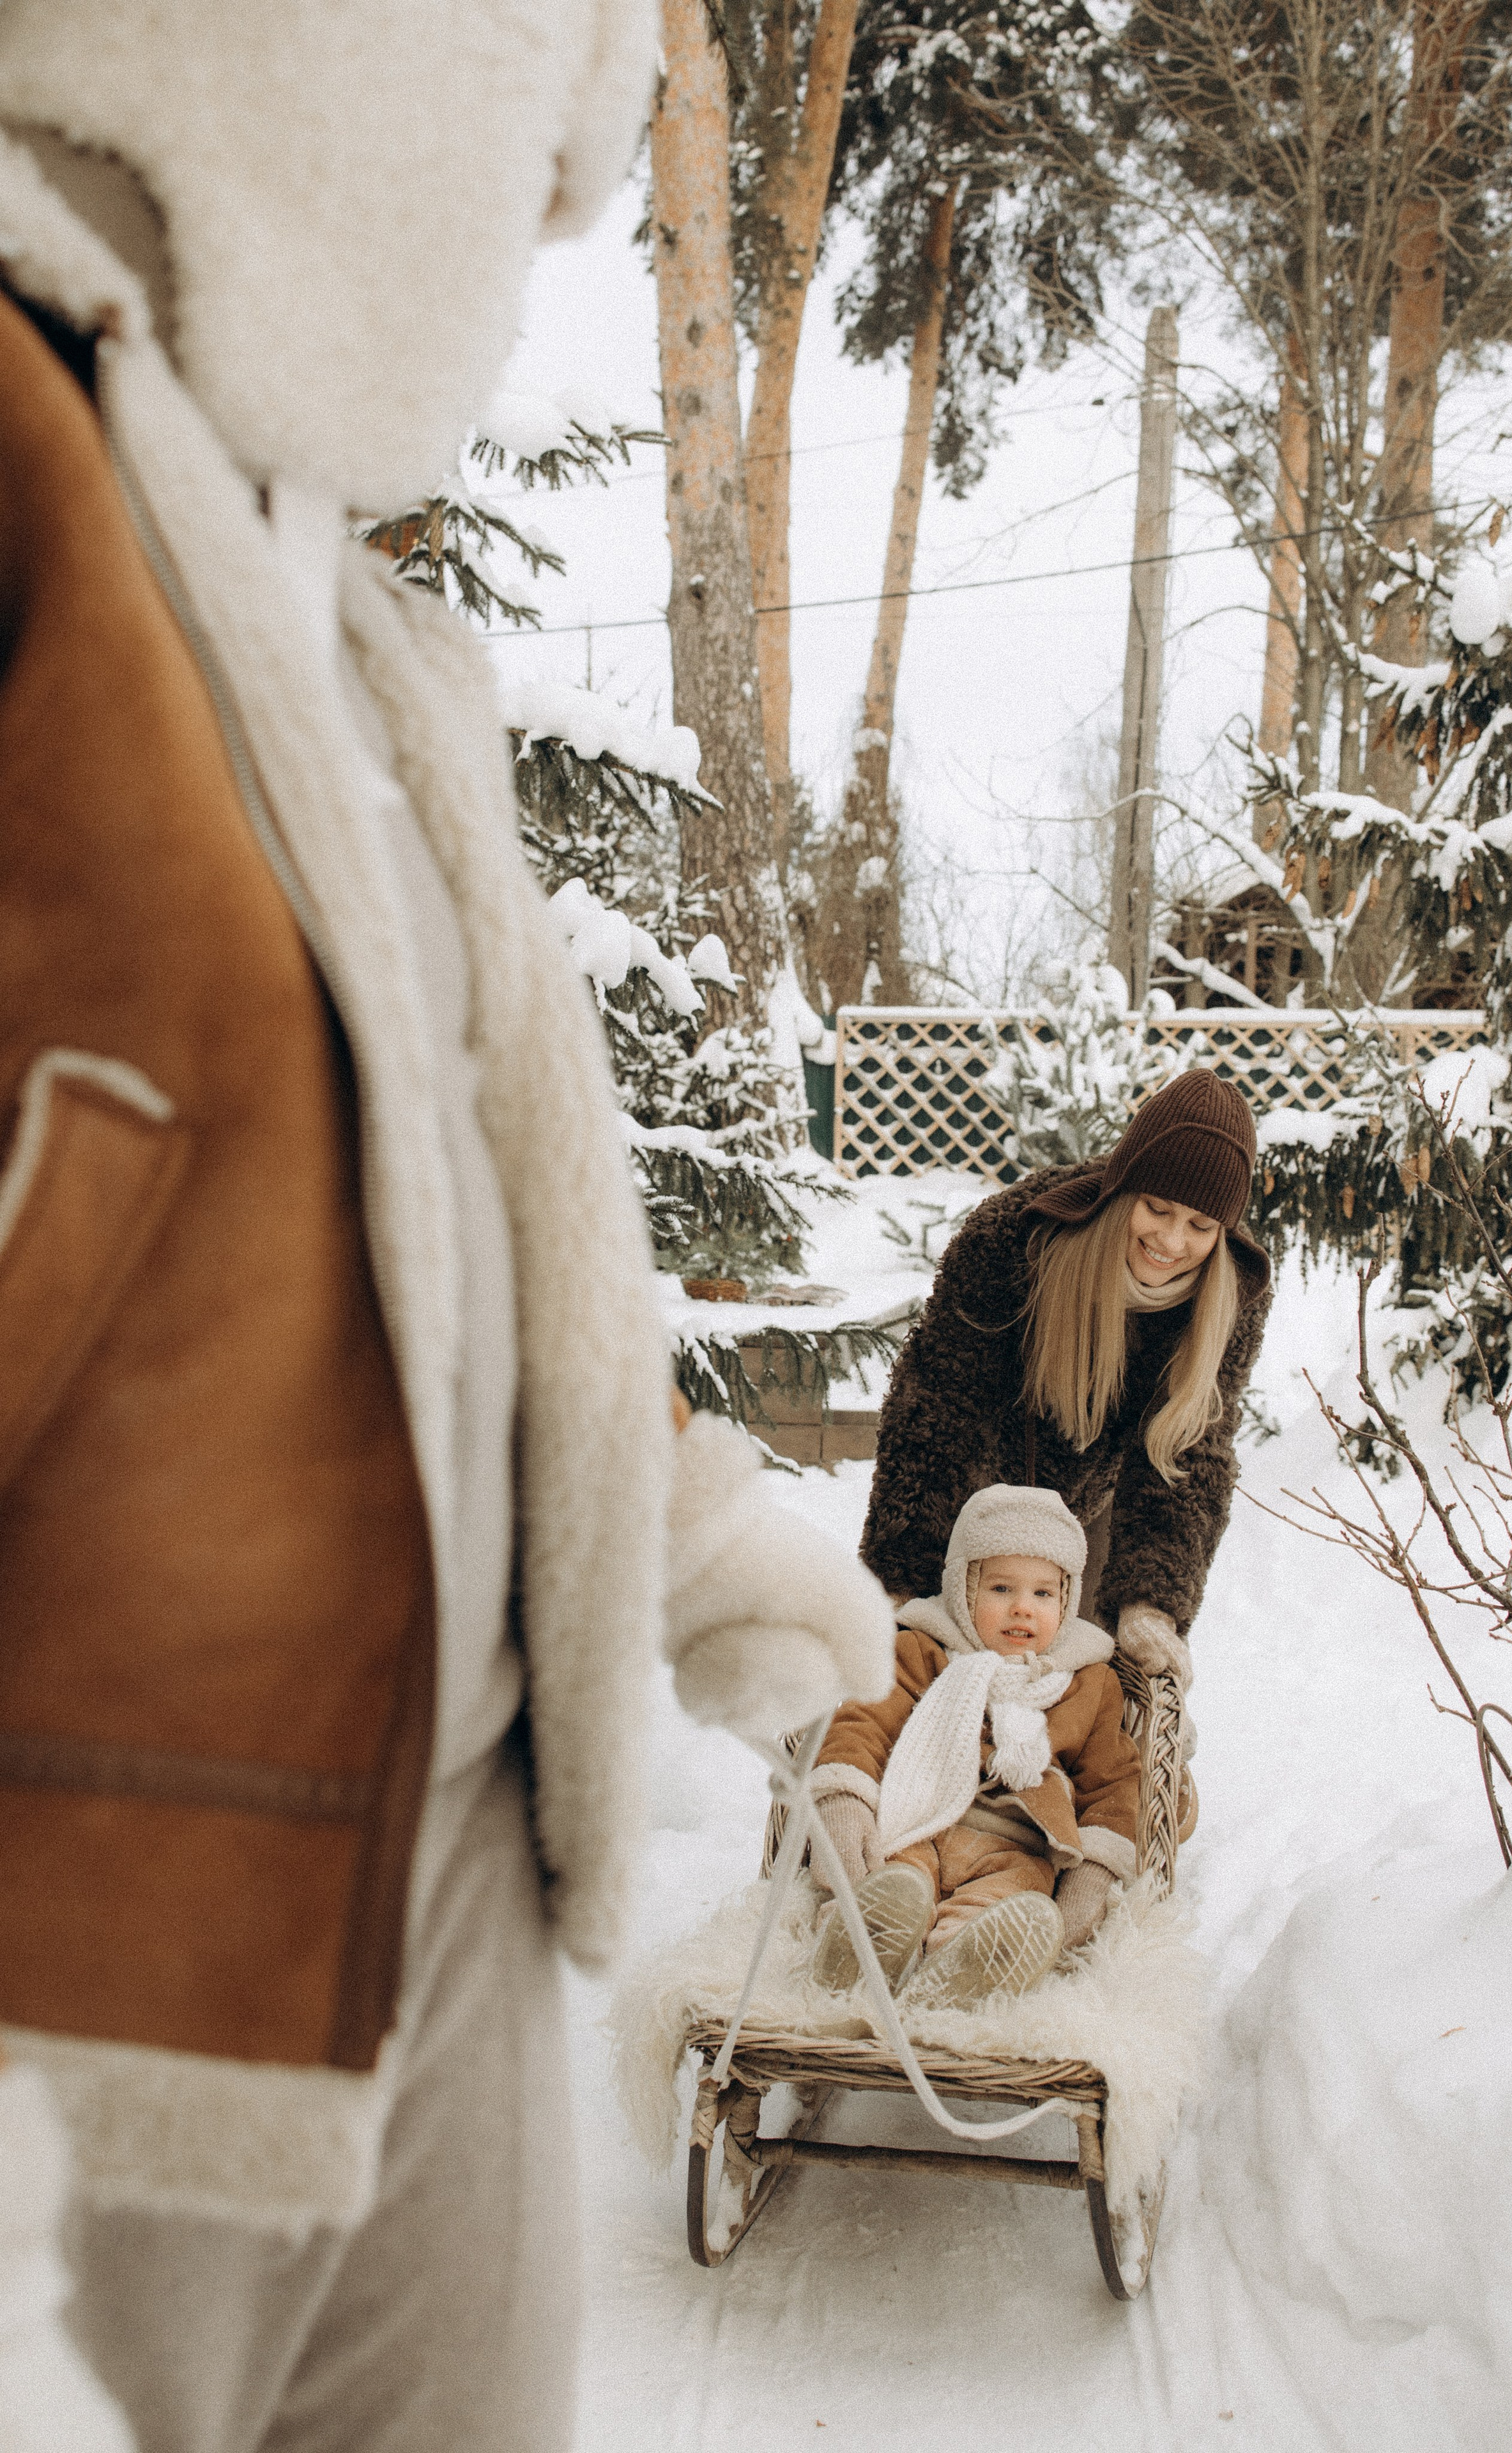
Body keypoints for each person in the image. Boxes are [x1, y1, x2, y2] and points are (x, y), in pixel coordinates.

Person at [0, 11, 894, 2450]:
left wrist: (690, 1541)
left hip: (458, 1851)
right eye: (542, 124)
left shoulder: (364, 645)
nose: (565, 221)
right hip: (102, 1957)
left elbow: (486, 1222)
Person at [860, 1069, 1273, 1713]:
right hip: (974, 1493)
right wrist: (900, 1572)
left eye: (1199, 1224)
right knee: (931, 1671)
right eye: (1157, 1208)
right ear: (1121, 1187)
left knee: (1086, 1690)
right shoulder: (1014, 1240)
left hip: (1093, 1507)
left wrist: (1150, 1604)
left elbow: (1187, 1457)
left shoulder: (1231, 1299)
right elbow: (937, 1409)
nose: (1171, 1240)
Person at [806, 1484, 1141, 2014]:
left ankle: (961, 1970)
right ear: (963, 1589)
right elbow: (863, 1720)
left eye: (1043, 1594)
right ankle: (862, 1945)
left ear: (1069, 1598)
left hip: (1017, 1845)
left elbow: (1114, 1784)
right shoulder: (921, 1649)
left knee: (1014, 1900)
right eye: (1002, 1588)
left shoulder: (1088, 1681)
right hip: (915, 1818)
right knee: (898, 1884)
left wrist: (1094, 1874)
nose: (1023, 1610)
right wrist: (844, 1802)